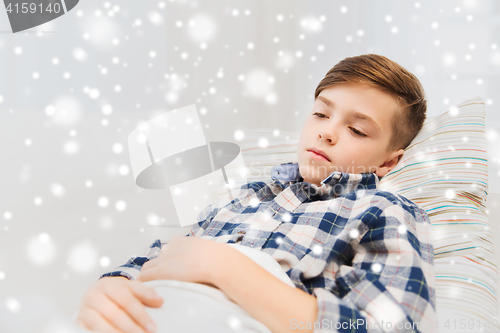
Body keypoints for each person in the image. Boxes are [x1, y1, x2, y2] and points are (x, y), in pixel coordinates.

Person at [74, 54, 436, 333]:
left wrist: (225, 267)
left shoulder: (385, 211)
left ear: (388, 162)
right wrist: (109, 289)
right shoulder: (243, 198)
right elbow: (165, 256)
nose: (327, 132)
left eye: (357, 130)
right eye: (321, 114)